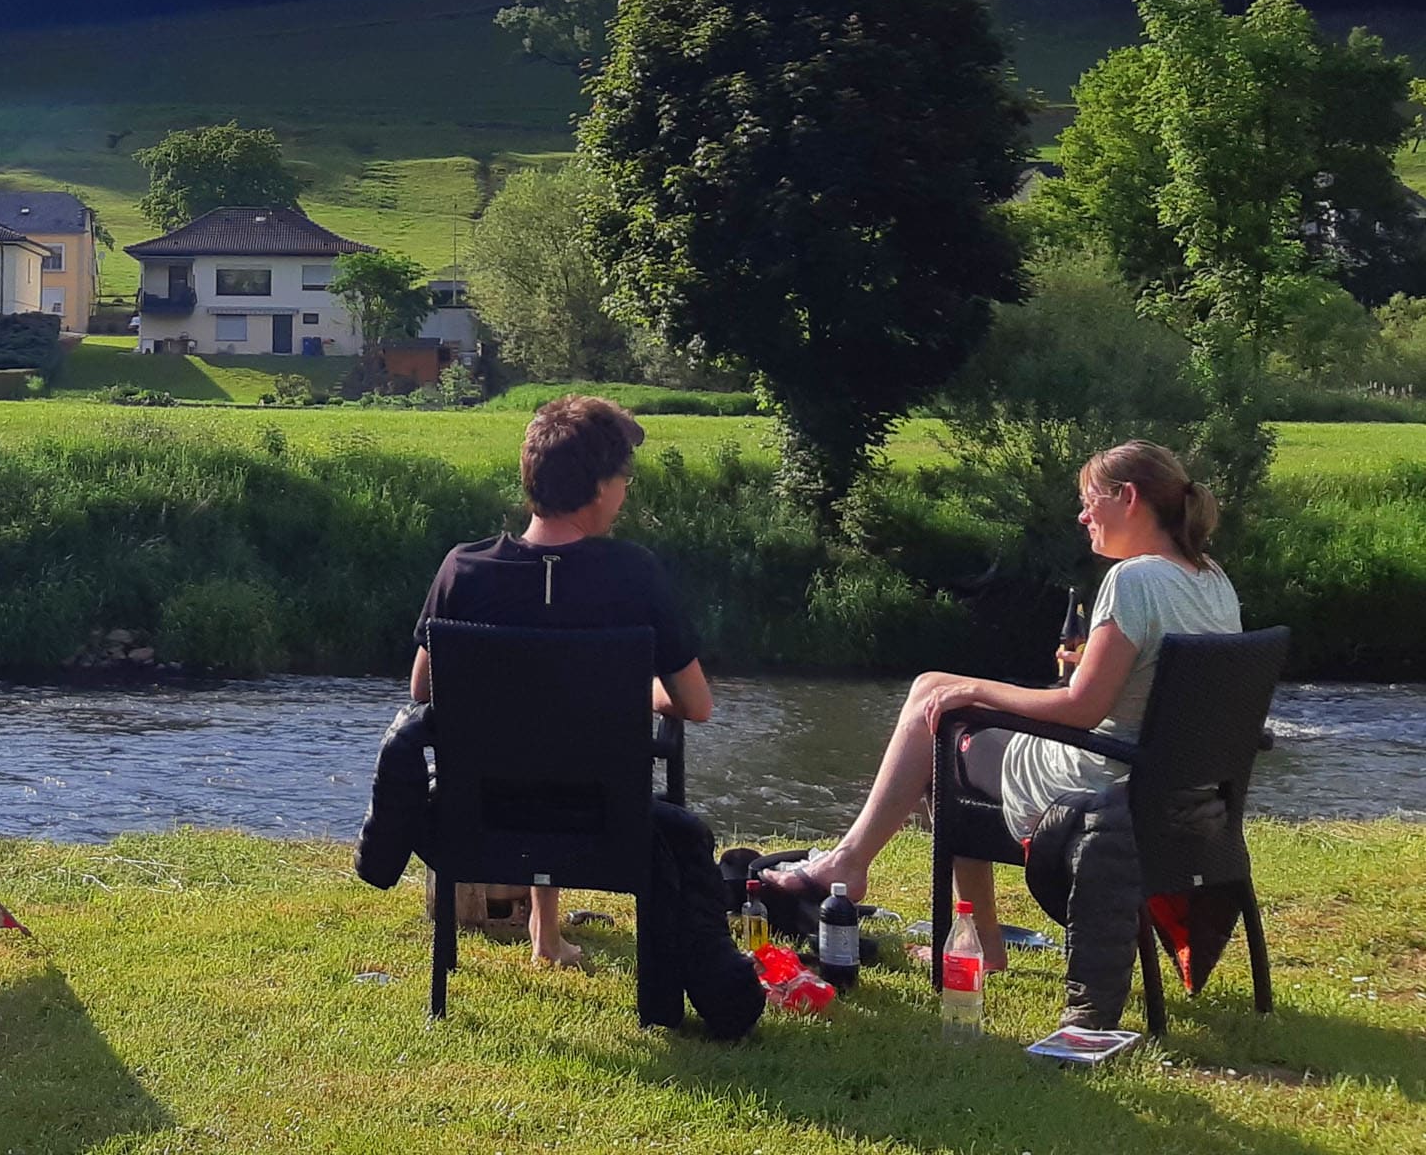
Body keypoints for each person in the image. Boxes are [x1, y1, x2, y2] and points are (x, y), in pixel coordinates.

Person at [761, 441, 1240, 964]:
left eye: (1089, 500)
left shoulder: (1133, 578)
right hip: (1177, 787)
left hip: (1104, 784)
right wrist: (1098, 666)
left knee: (942, 724)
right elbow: (1166, 685)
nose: (1082, 516)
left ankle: (882, 884)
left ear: (1127, 496)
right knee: (932, 693)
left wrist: (975, 690)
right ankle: (862, 870)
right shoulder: (1210, 578)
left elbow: (1081, 710)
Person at [411, 394, 716, 970]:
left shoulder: (462, 570)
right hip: (602, 813)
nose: (626, 491)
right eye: (624, 476)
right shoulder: (635, 575)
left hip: (480, 811)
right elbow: (695, 705)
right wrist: (627, 687)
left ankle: (546, 935)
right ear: (600, 485)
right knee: (565, 737)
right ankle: (549, 937)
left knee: (539, 727)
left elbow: (425, 690)